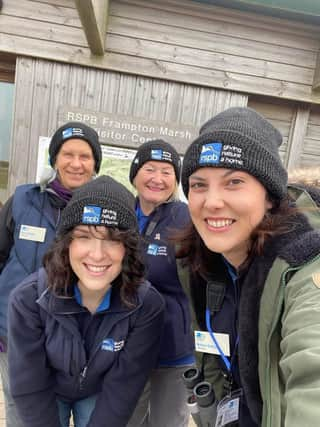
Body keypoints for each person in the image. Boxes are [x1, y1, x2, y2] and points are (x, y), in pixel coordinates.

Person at [177, 106, 320, 427]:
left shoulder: (306, 265)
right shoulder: (201, 261)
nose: (212, 201)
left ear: (270, 196)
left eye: (234, 182)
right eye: (199, 184)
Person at [8, 175, 165, 427]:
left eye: (113, 239)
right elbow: (29, 383)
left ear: (129, 249)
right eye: (83, 236)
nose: (97, 254)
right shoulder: (29, 299)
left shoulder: (146, 305)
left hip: (99, 391)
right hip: (47, 389)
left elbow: (124, 387)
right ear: (66, 243)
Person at [0, 121, 102, 427]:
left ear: (95, 163)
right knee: (25, 417)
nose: (75, 163)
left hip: (82, 342)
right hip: (17, 335)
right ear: (54, 159)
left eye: (85, 156)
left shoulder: (105, 208)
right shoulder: (22, 200)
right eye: (67, 154)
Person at [127, 140, 195, 427]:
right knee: (126, 418)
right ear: (135, 173)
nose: (157, 178)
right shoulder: (120, 212)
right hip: (126, 344)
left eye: (167, 171)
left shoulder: (187, 218)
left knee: (166, 421)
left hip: (173, 347)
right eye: (149, 168)